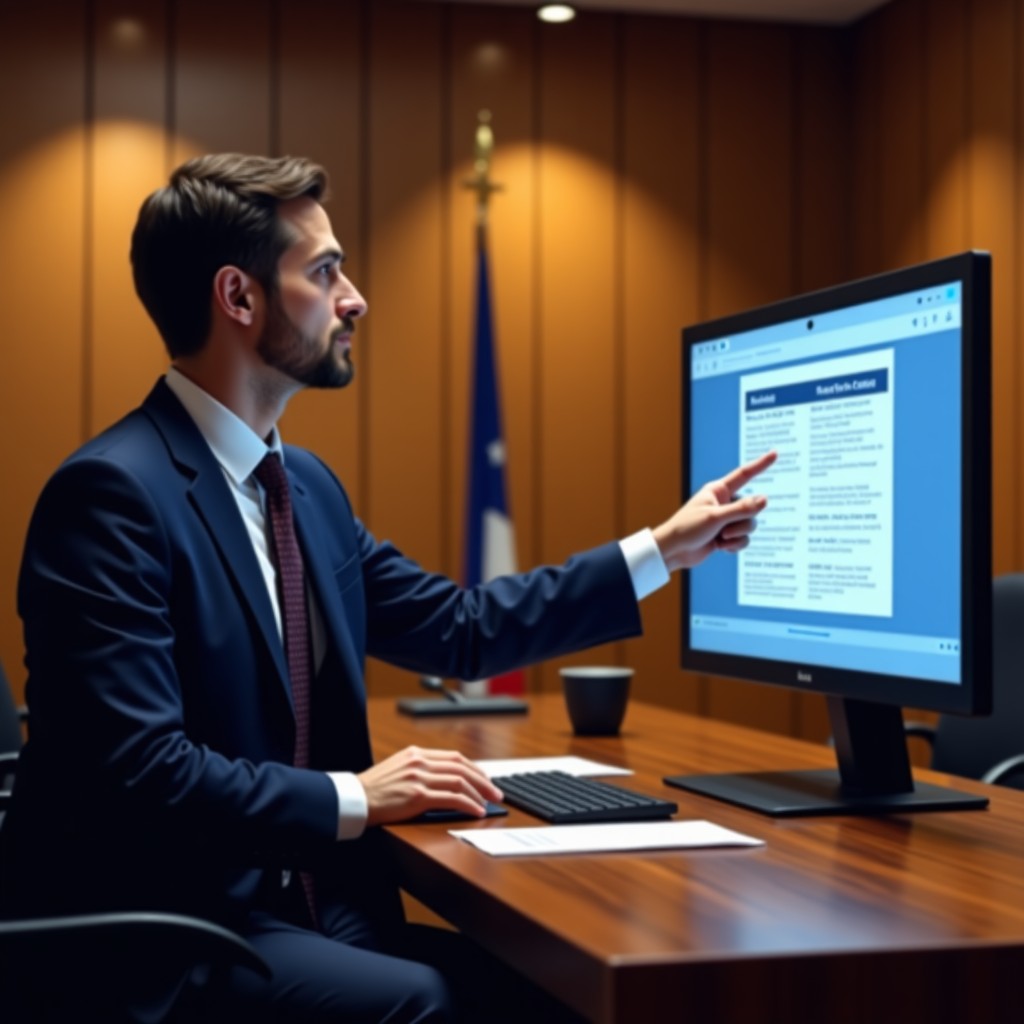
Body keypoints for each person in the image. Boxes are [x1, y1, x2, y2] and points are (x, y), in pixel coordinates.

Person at [0, 153, 775, 1022]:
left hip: (305, 901)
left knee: (548, 986)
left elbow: (461, 628)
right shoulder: (112, 495)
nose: (355, 297)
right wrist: (360, 794)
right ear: (240, 297)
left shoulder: (307, 488)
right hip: (168, 931)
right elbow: (144, 773)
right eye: (325, 271)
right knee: (426, 1001)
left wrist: (660, 552)